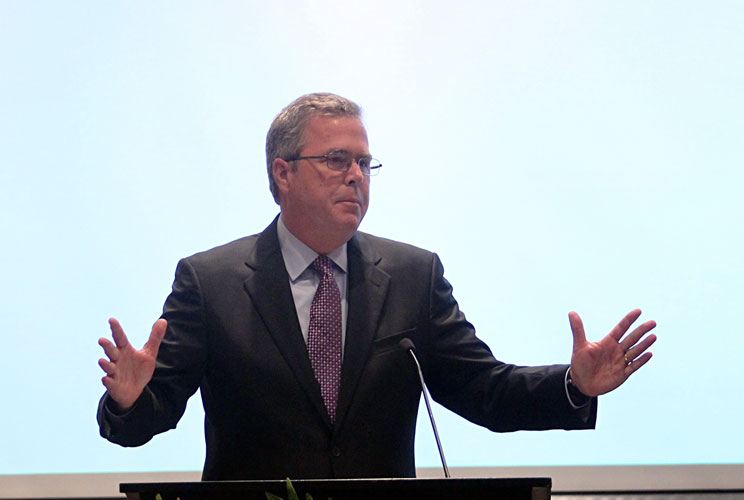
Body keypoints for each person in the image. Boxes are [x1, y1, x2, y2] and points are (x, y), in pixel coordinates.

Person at [97, 92, 657, 480]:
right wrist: (128, 401)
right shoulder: (211, 282)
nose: (356, 177)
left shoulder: (413, 275)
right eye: (336, 160)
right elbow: (150, 414)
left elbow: (481, 389)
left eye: (365, 163)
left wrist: (573, 386)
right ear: (282, 172)